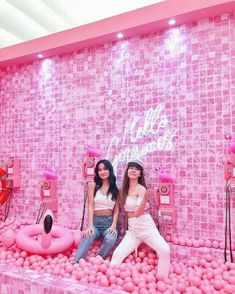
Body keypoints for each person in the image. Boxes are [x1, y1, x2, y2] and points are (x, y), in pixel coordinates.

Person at [110, 159, 170, 278]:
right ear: (127, 170)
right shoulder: (123, 190)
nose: (133, 170)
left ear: (140, 174)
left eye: (137, 169)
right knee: (117, 255)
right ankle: (110, 280)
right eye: (131, 168)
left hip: (146, 227)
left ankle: (162, 278)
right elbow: (126, 213)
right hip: (133, 231)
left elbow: (137, 213)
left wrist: (145, 199)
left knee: (165, 250)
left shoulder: (142, 189)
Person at [73, 159, 119, 263]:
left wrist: (113, 225)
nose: (102, 172)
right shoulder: (93, 185)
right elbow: (90, 205)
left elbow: (117, 209)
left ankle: (97, 260)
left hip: (109, 222)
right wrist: (90, 225)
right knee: (88, 235)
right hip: (96, 223)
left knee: (111, 238)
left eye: (105, 169)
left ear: (110, 170)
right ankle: (76, 262)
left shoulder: (115, 188)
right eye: (99, 170)